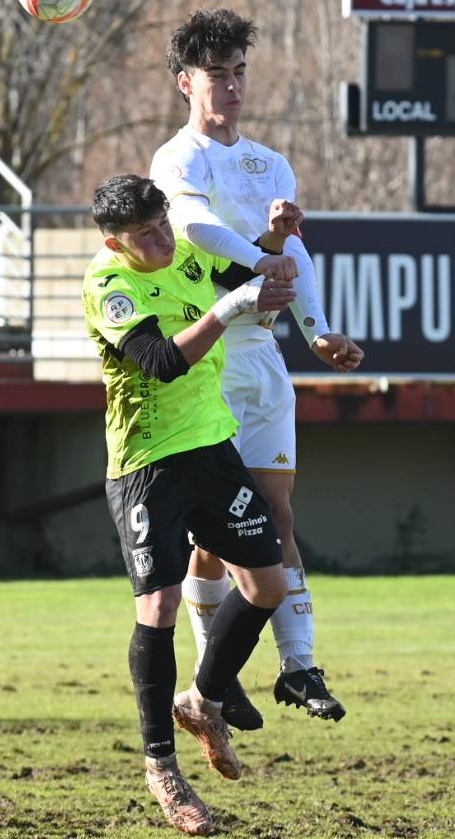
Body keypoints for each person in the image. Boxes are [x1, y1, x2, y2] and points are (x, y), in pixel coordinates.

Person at [149, 8, 365, 732]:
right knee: (213, 537)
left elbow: (293, 254)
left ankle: (300, 665)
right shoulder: (176, 159)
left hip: (263, 360)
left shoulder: (271, 162)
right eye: (218, 74)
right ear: (186, 83)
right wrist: (261, 253)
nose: (233, 86)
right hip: (208, 356)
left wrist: (319, 330)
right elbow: (192, 229)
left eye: (240, 71)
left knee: (276, 515)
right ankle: (219, 678)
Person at [83, 174, 300, 837]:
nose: (162, 241)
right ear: (115, 243)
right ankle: (161, 766)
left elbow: (242, 267)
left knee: (267, 583)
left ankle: (203, 699)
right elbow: (160, 362)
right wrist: (227, 311)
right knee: (161, 605)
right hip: (148, 464)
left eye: (164, 226)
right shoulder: (109, 287)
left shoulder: (184, 249)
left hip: (212, 448)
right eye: (146, 236)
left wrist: (274, 240)